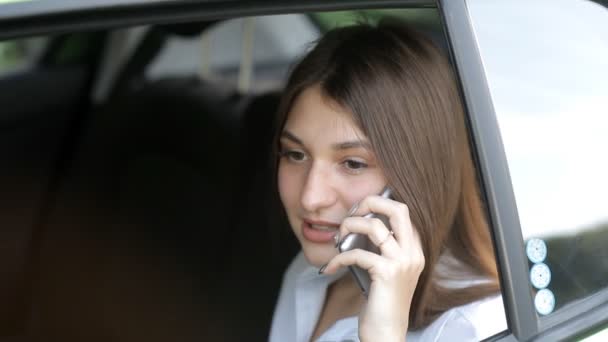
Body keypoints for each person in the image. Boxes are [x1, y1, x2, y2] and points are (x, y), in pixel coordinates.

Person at [268, 20, 507, 342]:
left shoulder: (475, 325)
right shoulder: (311, 269)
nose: (311, 198)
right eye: (295, 155)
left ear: (419, 173)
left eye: (353, 163)